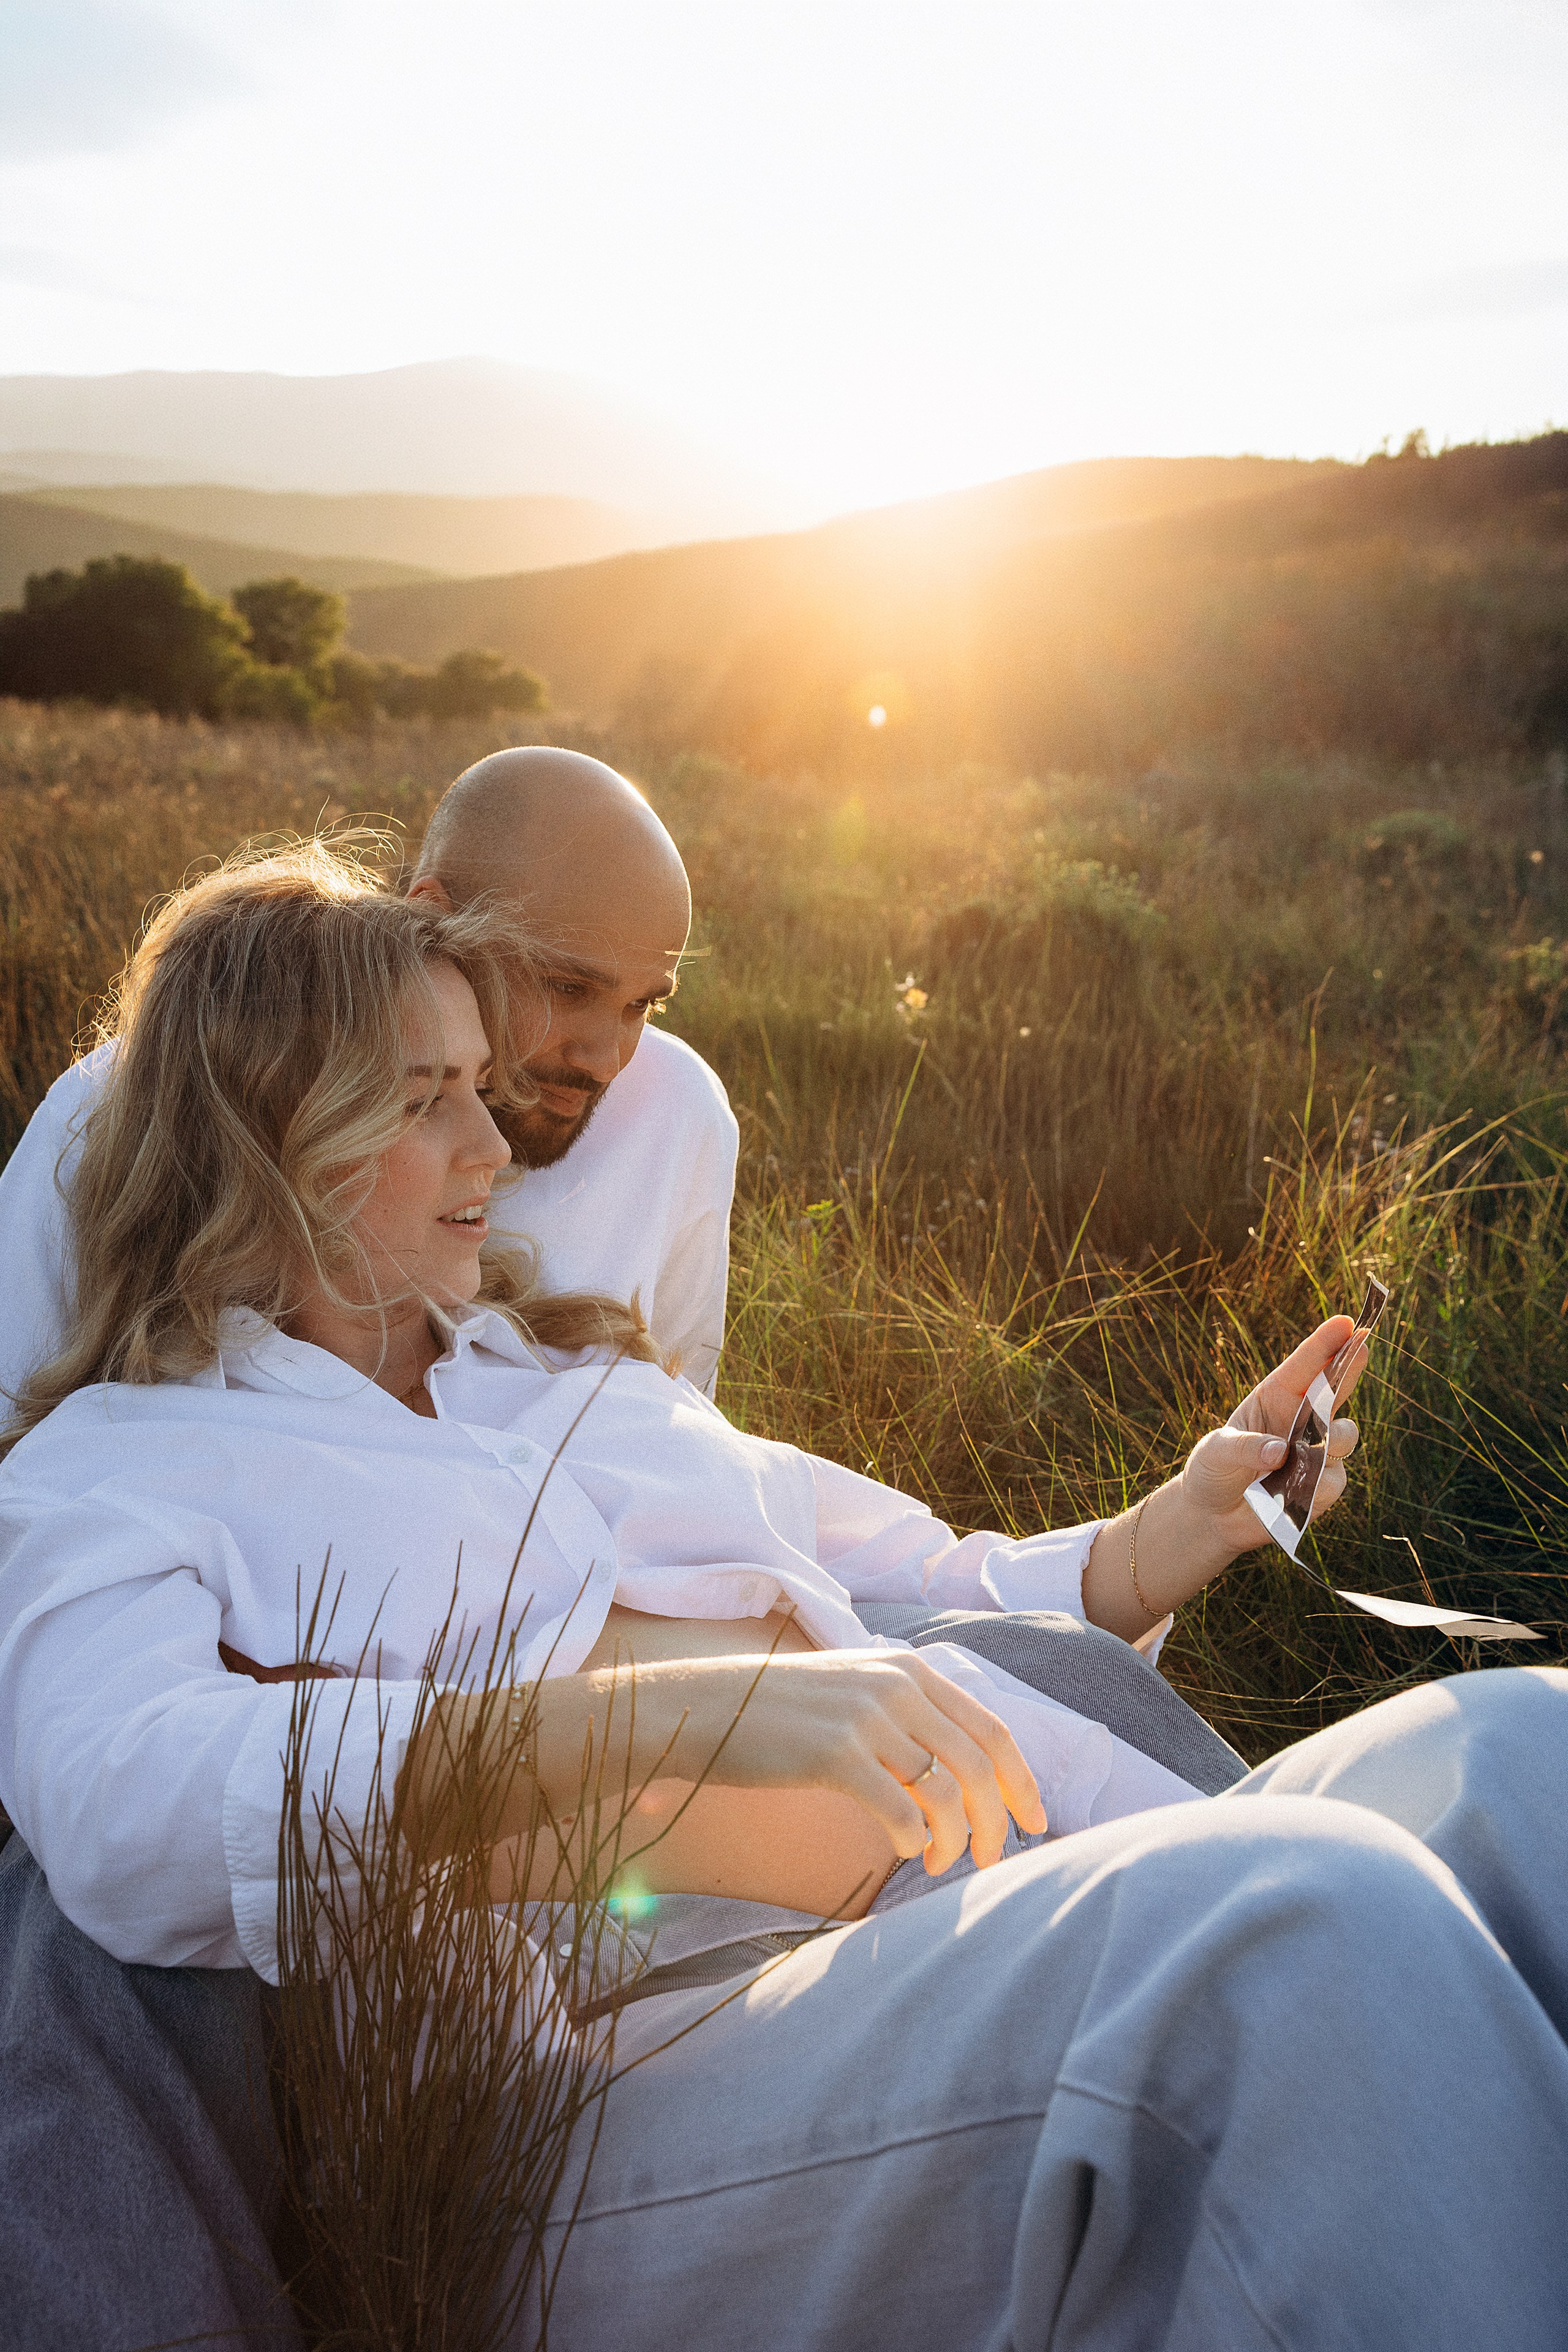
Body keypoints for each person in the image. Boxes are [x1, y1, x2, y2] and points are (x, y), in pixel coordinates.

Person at [3, 844, 1566, 2351]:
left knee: (1522, 1755)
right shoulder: (118, 1467)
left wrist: (1165, 1529)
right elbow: (123, 1801)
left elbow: (902, 1572)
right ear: (269, 1134)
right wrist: (674, 1718)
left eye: (480, 1085)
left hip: (968, 1875)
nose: (490, 1145)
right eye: (425, 1102)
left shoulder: (552, 1369)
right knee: (1287, 1925)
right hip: (641, 2054)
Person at [0, 745, 739, 1403]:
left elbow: (681, 1420)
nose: (604, 1060)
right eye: (566, 988)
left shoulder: (676, 1110)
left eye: (643, 1005)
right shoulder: (137, 1097)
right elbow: (19, 1408)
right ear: (434, 916)